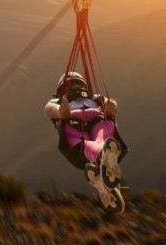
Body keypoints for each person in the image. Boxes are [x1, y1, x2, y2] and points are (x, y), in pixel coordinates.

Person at [44, 71, 127, 213]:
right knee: (85, 142)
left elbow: (109, 102)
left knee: (102, 136)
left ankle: (104, 175)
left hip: (95, 120)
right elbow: (48, 110)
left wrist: (110, 107)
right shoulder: (59, 101)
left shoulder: (95, 98)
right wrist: (60, 111)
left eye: (76, 84)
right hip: (73, 122)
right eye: (70, 85)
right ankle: (103, 158)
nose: (74, 88)